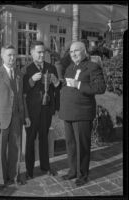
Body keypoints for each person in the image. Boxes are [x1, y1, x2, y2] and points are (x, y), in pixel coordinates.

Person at [58, 41, 106, 186]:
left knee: (82, 146)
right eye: (71, 51)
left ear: (84, 51)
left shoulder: (92, 66)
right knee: (70, 144)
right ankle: (73, 171)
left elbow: (100, 87)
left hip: (82, 113)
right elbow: (67, 86)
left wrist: (78, 84)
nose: (73, 54)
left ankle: (83, 174)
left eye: (76, 51)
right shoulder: (70, 67)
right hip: (68, 112)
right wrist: (58, 84)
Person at [0, 44, 31, 190]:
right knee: (0, 150)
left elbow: (21, 98)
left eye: (14, 55)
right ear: (2, 56)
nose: (12, 58)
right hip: (1, 120)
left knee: (15, 149)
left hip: (17, 118)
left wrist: (26, 116)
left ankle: (14, 176)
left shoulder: (19, 74)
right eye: (9, 55)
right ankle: (1, 180)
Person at [23, 41, 60, 179]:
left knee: (44, 139)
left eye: (43, 52)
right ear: (32, 53)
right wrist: (31, 81)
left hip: (46, 110)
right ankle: (29, 171)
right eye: (38, 52)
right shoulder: (25, 69)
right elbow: (22, 91)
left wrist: (56, 83)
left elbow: (57, 89)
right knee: (30, 140)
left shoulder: (51, 67)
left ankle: (45, 167)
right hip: (32, 112)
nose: (42, 54)